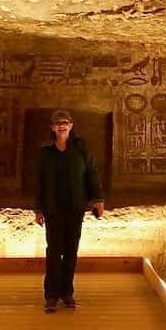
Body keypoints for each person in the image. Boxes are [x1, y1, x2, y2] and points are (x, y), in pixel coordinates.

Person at [34, 109, 105, 313]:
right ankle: (51, 295)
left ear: (71, 126)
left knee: (71, 252)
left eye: (65, 122)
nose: (62, 125)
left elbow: (91, 173)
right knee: (54, 252)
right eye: (58, 123)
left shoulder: (80, 149)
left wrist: (98, 199)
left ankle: (67, 293)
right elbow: (39, 182)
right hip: (53, 209)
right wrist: (38, 209)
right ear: (52, 127)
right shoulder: (45, 152)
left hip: (75, 208)